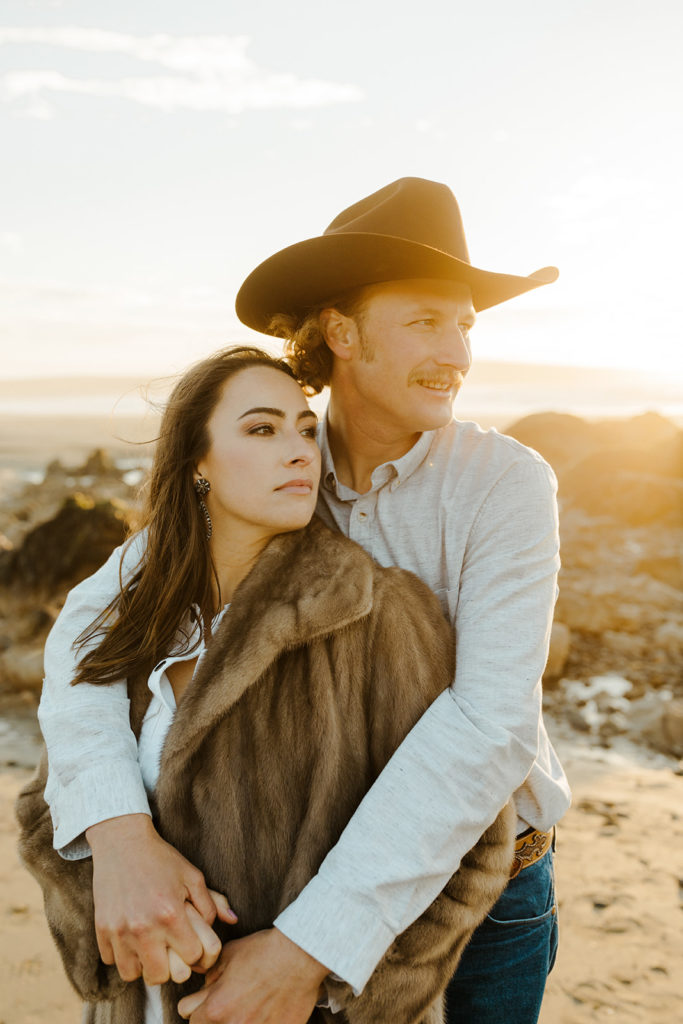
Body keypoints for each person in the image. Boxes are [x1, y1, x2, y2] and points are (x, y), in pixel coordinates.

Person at [35, 177, 571, 1024]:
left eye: (465, 325)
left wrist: (310, 948)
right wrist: (118, 832)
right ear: (341, 332)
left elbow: (489, 724)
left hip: (488, 892)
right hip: (295, 876)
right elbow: (87, 633)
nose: (459, 355)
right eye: (428, 320)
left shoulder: (503, 484)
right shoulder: (276, 468)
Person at [18, 345, 514, 1024]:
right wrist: (127, 908)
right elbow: (47, 807)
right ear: (196, 462)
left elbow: (475, 845)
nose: (299, 451)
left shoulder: (381, 617)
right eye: (261, 429)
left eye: (306, 430)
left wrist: (324, 988)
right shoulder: (133, 619)